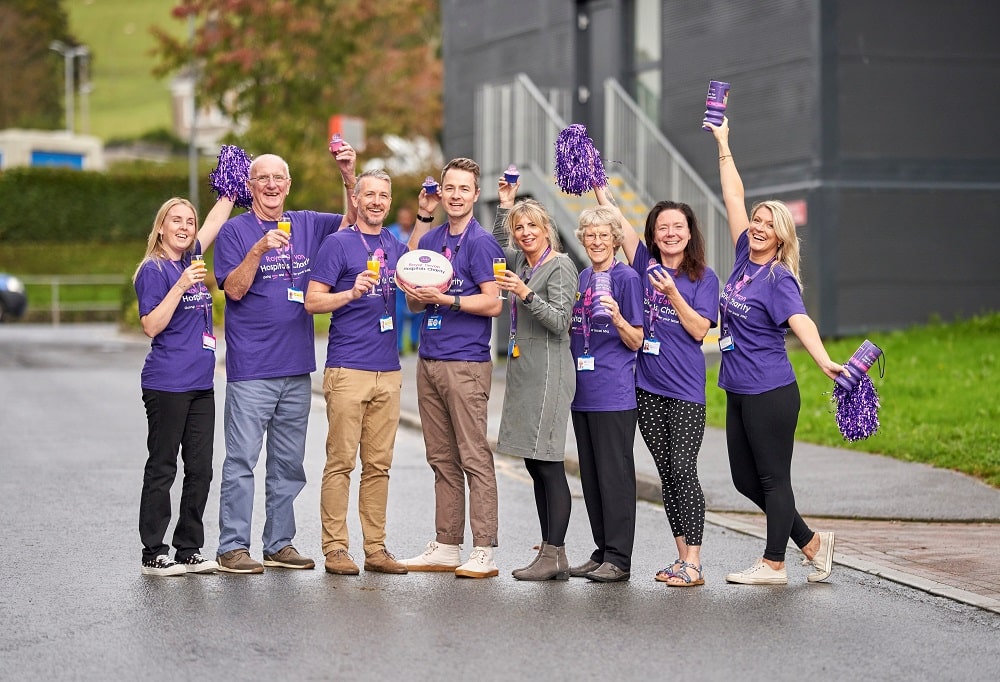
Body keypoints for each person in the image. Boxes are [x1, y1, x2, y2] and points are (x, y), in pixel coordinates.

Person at [709, 116, 843, 585]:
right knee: (747, 480)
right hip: (739, 388)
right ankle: (810, 543)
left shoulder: (778, 277)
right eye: (757, 221)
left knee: (772, 479)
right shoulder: (746, 257)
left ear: (783, 235)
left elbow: (800, 320)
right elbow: (733, 197)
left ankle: (774, 564)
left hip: (770, 390)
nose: (759, 227)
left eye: (769, 224)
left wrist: (823, 359)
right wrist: (724, 141)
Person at [212, 145, 357, 574]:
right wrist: (258, 250)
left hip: (297, 368)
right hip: (252, 369)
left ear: (288, 185)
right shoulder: (236, 232)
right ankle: (233, 547)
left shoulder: (307, 223)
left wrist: (348, 173)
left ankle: (279, 543)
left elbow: (353, 221)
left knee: (288, 464)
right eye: (263, 179)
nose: (272, 185)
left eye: (279, 178)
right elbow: (233, 290)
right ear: (250, 186)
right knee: (241, 462)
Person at [595, 187, 719, 587]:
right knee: (667, 474)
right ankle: (682, 558)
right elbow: (614, 216)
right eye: (662, 227)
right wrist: (597, 180)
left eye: (677, 227)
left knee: (684, 469)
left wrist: (672, 294)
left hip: (685, 390)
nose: (670, 233)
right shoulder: (644, 262)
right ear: (653, 233)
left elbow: (700, 329)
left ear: (689, 233)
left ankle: (696, 562)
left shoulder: (703, 277)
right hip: (646, 388)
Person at [396, 158, 505, 578]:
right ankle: (446, 544)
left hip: (466, 363)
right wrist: (423, 217)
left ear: (476, 195)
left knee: (473, 456)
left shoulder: (481, 244)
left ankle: (483, 550)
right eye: (450, 188)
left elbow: (493, 303)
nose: (456, 195)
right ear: (440, 192)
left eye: (464, 188)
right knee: (441, 457)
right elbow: (410, 289)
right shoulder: (434, 237)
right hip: (430, 360)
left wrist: (451, 301)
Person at [305, 169, 409, 576]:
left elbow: (412, 289)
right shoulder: (338, 244)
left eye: (384, 195)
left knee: (379, 466)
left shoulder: (394, 246)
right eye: (370, 194)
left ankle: (376, 549)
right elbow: (313, 301)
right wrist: (350, 293)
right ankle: (335, 549)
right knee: (341, 463)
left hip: (389, 371)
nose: (377, 201)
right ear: (357, 200)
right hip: (348, 369)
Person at [133, 195, 234, 576]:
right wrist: (179, 286)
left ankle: (188, 548)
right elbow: (151, 326)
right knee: (163, 467)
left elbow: (214, 223)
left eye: (189, 221)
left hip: (200, 385)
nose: (185, 227)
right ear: (161, 227)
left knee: (201, 469)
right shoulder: (154, 270)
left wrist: (229, 190)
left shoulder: (189, 257)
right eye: (176, 220)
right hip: (166, 384)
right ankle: (153, 553)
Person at [492, 181, 579, 581]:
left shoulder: (558, 266)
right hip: (526, 371)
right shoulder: (524, 264)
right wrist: (505, 206)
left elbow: (561, 321)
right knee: (532, 461)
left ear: (547, 229)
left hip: (549, 370)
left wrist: (525, 294)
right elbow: (496, 249)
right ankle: (550, 551)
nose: (524, 233)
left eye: (532, 226)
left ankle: (554, 551)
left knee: (548, 463)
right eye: (518, 228)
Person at [567, 206, 644, 583]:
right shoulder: (582, 276)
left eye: (604, 235)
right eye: (590, 235)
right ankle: (601, 551)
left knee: (615, 476)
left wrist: (615, 317)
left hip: (614, 392)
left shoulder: (627, 278)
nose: (596, 241)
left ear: (615, 239)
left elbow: (637, 339)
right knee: (592, 478)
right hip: (581, 392)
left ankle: (619, 557)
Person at [386, 206, 423, 354]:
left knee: (418, 311)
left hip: (414, 279)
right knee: (398, 312)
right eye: (403, 217)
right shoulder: (390, 232)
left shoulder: (416, 233)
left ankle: (414, 340)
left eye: (408, 218)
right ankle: (399, 345)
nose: (405, 221)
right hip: (396, 278)